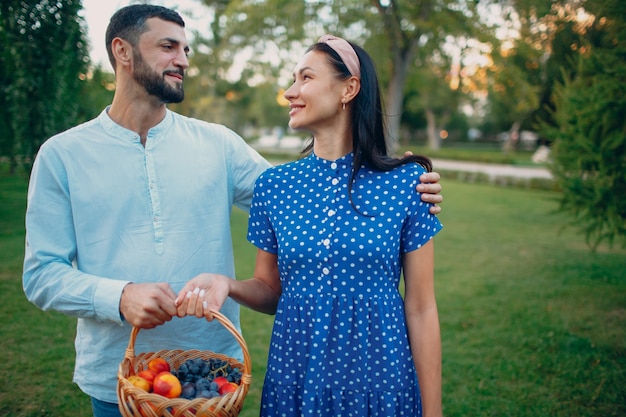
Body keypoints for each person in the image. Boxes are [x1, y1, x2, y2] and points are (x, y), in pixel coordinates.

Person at [22, 5, 443, 417]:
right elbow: (41, 274)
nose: (182, 60)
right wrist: (119, 296)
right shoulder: (63, 155)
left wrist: (400, 180)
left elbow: (317, 197)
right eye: (169, 46)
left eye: (186, 49)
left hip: (214, 376)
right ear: (122, 51)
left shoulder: (218, 146)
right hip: (122, 378)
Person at [176, 34, 443, 416]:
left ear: (348, 88)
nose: (289, 91)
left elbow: (421, 308)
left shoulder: (406, 183)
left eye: (305, 78)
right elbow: (270, 290)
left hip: (381, 381)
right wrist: (228, 285)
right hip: (298, 378)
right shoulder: (274, 186)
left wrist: (432, 411)